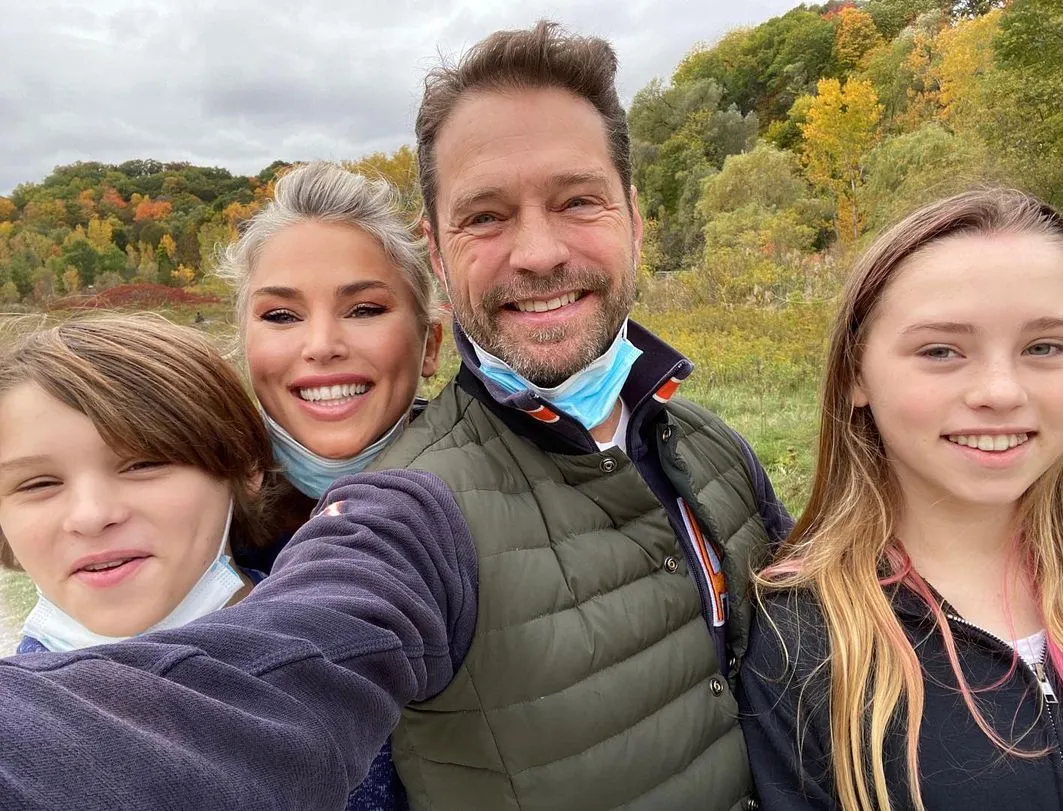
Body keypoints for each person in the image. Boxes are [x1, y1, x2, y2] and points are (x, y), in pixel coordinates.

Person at [0, 22, 788, 810]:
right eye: (485, 216)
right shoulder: (408, 508)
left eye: (578, 200)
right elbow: (253, 694)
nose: (540, 251)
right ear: (443, 255)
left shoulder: (712, 447)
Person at [738, 188, 1063, 810]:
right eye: (941, 351)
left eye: (1045, 347)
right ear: (855, 376)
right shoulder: (806, 642)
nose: (1000, 392)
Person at [217, 160, 443, 811]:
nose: (321, 344)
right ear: (246, 346)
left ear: (428, 346)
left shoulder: (514, 511)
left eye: (364, 308)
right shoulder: (189, 539)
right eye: (282, 315)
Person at [0, 315, 277, 653]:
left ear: (248, 469)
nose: (91, 516)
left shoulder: (349, 658)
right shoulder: (19, 703)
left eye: (143, 464)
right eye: (38, 484)